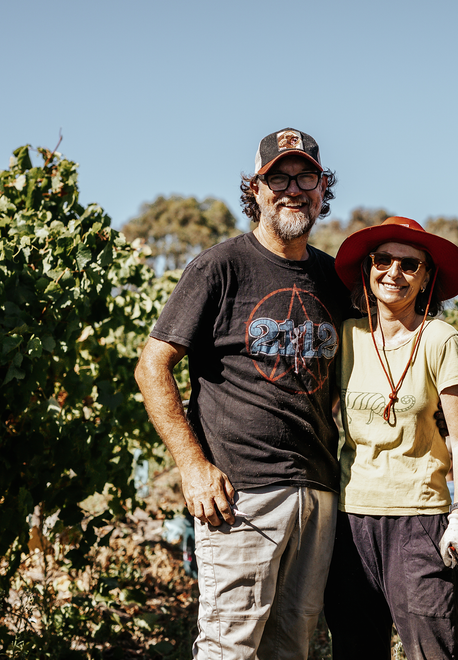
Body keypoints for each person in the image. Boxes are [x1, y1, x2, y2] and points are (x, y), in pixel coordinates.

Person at [134, 128, 352, 660]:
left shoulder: (333, 278)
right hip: (241, 494)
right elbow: (151, 366)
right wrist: (192, 465)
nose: (292, 188)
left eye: (306, 177)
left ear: (323, 189)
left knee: (292, 648)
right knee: (229, 646)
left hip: (317, 491)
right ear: (254, 188)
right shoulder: (220, 266)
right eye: (278, 176)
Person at [324, 216, 458, 660]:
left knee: (434, 650)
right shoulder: (345, 336)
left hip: (421, 522)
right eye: (383, 260)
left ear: (426, 276)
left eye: (410, 264)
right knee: (356, 649)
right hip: (350, 521)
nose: (394, 272)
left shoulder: (440, 339)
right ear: (368, 268)